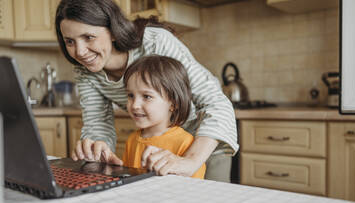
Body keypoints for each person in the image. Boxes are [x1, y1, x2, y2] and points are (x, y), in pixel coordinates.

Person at [55, 0, 238, 182]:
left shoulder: (155, 42)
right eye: (70, 41)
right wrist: (96, 150)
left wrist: (189, 161)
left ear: (112, 31)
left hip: (201, 147)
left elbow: (217, 103)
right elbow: (97, 125)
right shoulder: (84, 70)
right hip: (154, 152)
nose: (79, 52)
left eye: (88, 37)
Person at [122, 55, 205, 179]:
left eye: (146, 96)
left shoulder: (186, 143)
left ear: (173, 104)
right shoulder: (132, 140)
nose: (135, 105)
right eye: (131, 95)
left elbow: (194, 190)